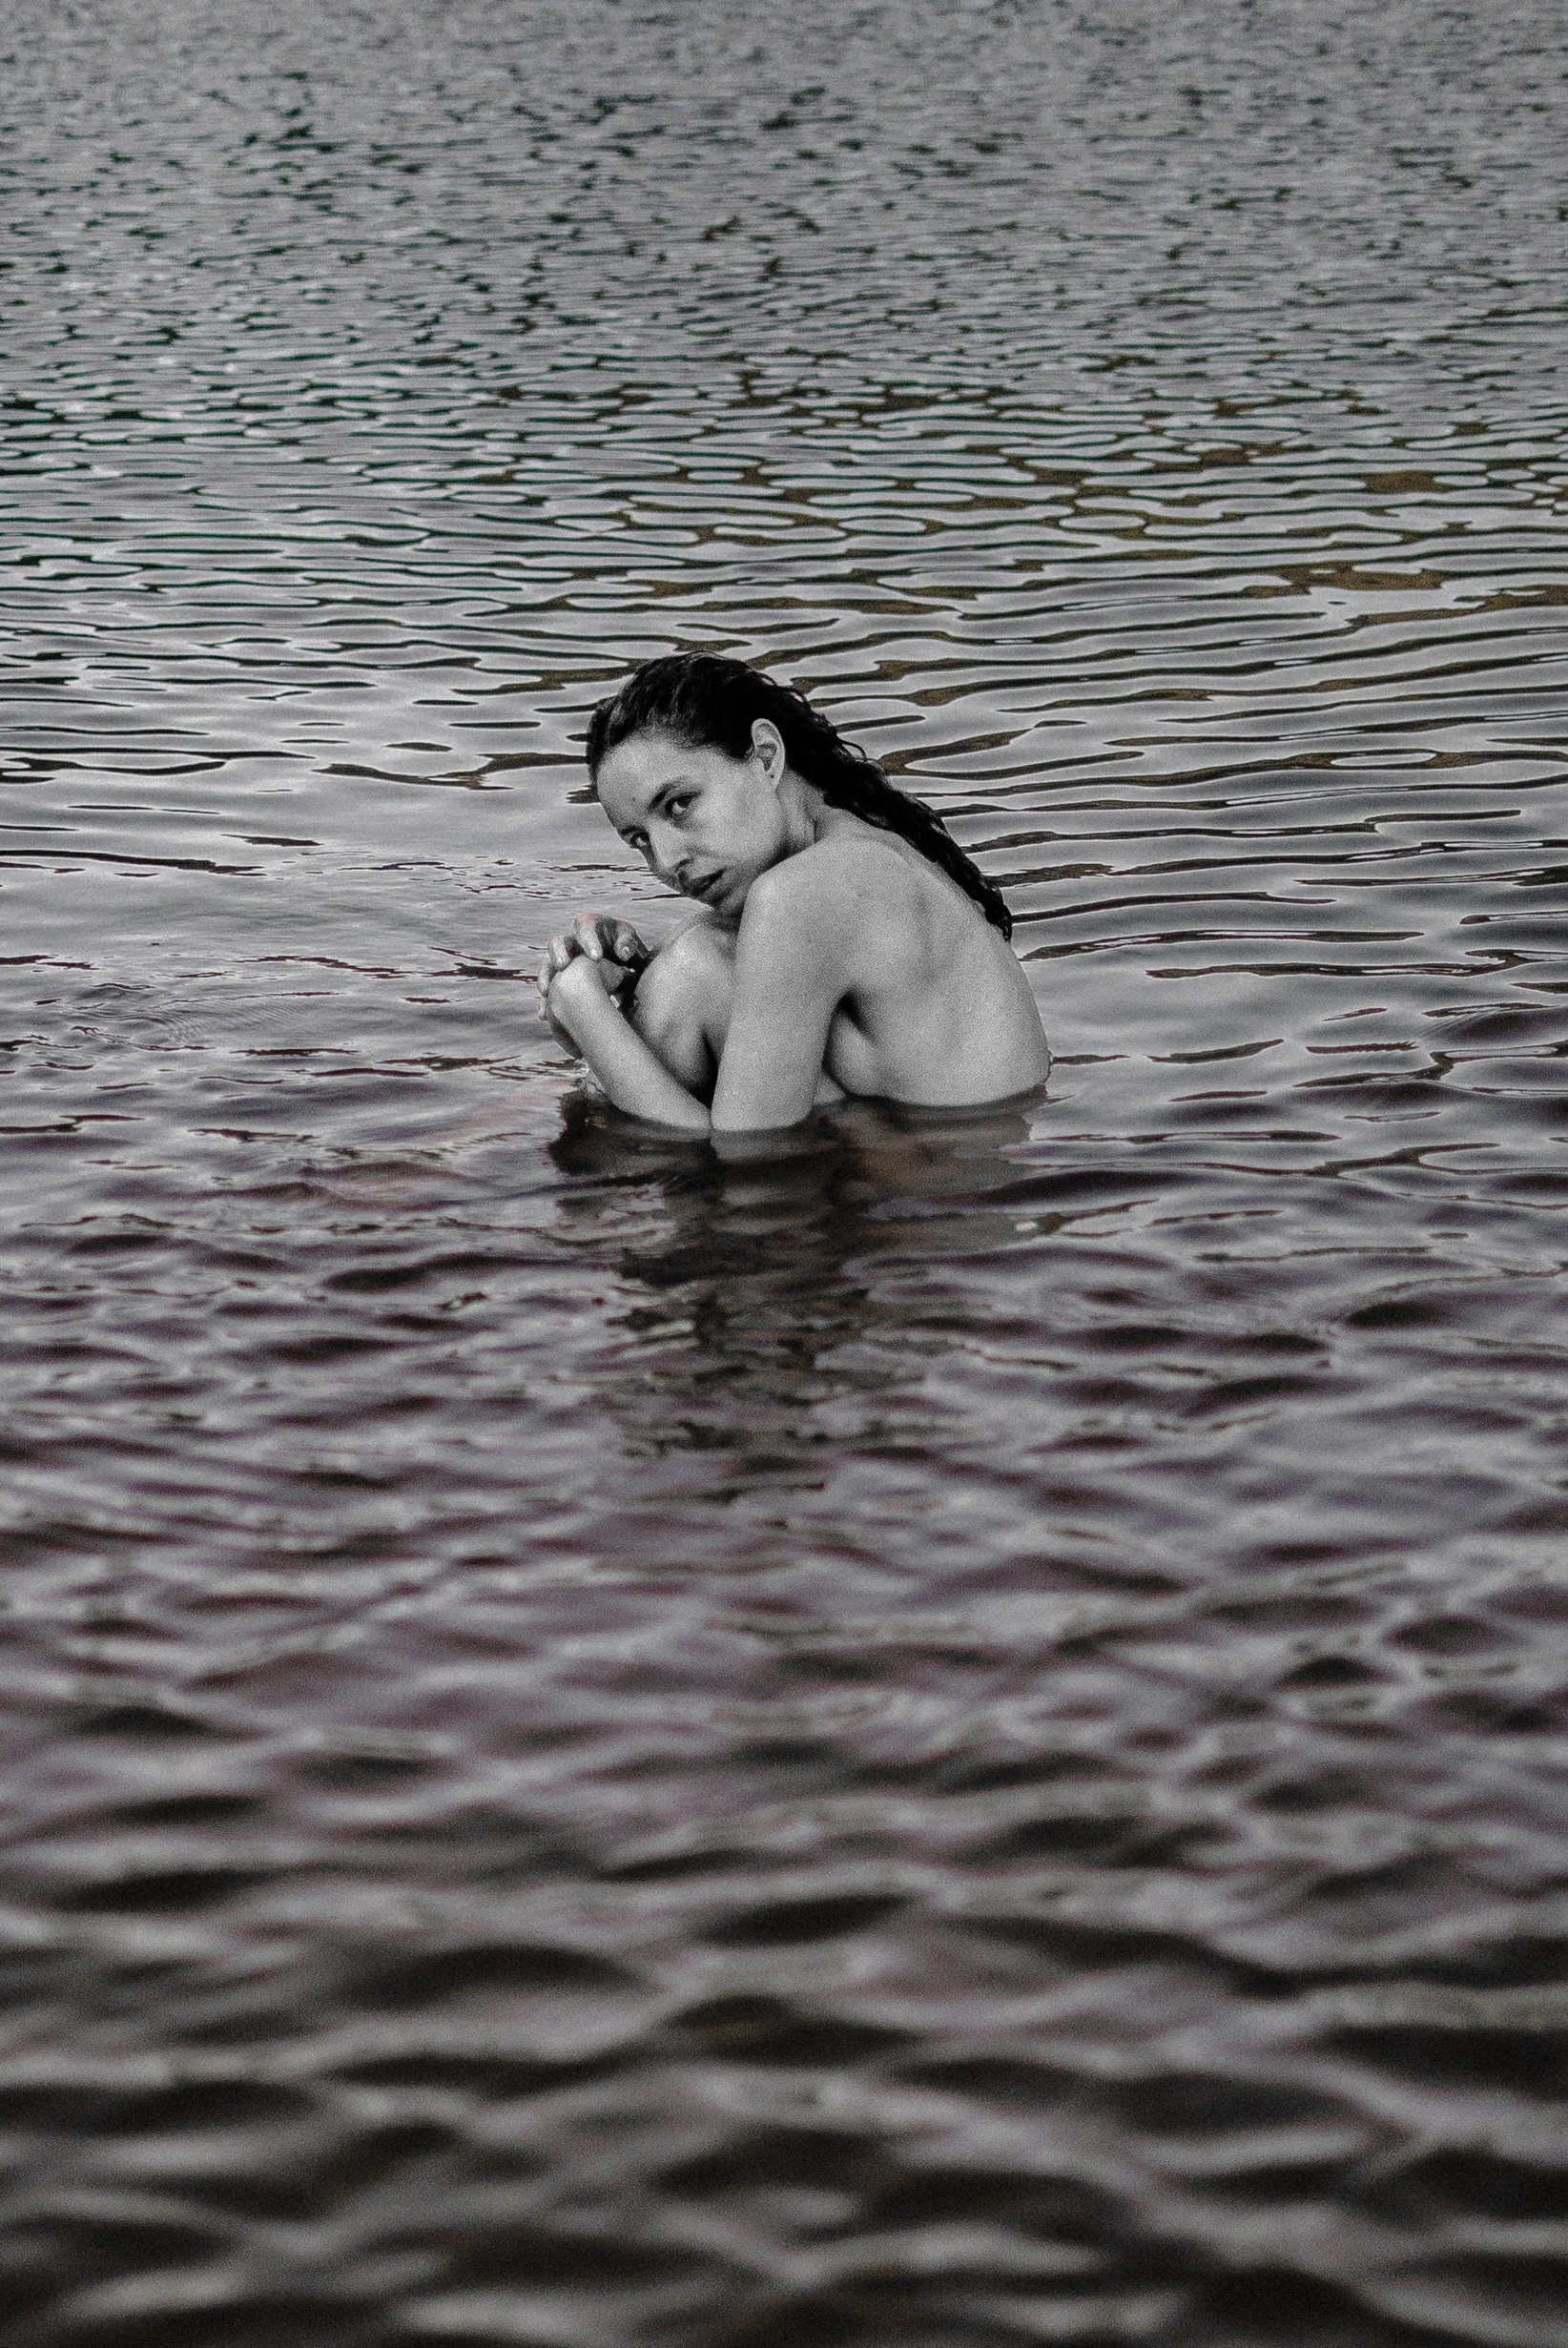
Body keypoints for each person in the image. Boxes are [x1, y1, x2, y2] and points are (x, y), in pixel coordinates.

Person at [537, 653, 1049, 1139]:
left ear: (766, 756)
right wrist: (629, 976)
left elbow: (744, 1156)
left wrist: (584, 1005)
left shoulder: (805, 892)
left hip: (925, 1190)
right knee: (690, 956)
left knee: (692, 968)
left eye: (679, 804)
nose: (667, 861)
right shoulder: (862, 848)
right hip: (951, 1174)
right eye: (640, 840)